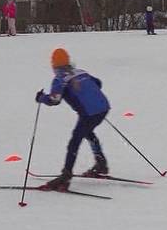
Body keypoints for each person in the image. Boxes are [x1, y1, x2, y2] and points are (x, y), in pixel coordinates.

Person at [35, 48, 111, 191]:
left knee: (74, 141)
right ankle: (101, 163)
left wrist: (41, 98)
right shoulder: (80, 72)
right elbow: (98, 83)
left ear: (54, 65)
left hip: (89, 113)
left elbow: (54, 100)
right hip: (103, 108)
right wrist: (87, 93)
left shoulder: (59, 79)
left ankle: (66, 176)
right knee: (87, 133)